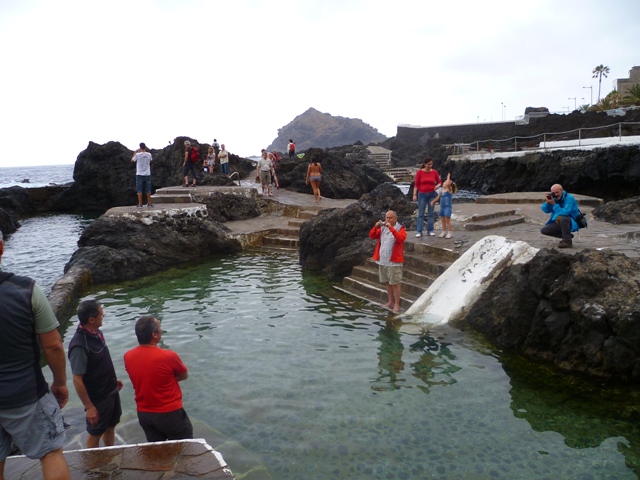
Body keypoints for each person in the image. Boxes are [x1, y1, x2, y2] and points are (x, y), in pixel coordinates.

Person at [0, 228, 71, 480]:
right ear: (1, 248)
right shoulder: (26, 290)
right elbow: (53, 345)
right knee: (51, 453)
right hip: (26, 394)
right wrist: (60, 383)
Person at [123, 316, 193, 442]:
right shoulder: (168, 356)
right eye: (160, 327)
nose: (161, 330)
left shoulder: (128, 356)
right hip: (170, 414)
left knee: (157, 454)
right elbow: (184, 375)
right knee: (185, 449)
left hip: (145, 415)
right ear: (154, 334)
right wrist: (167, 379)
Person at [68, 299, 124, 449]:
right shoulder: (79, 345)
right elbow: (77, 380)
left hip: (110, 391)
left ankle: (110, 453)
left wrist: (112, 380)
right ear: (91, 319)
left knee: (110, 426)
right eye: (101, 313)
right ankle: (92, 466)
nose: (103, 315)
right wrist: (90, 407)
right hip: (98, 398)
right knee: (95, 433)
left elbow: (99, 362)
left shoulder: (96, 333)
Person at [368, 211, 407, 313]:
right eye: (386, 218)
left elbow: (401, 239)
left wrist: (391, 228)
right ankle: (390, 301)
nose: (387, 220)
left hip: (394, 261)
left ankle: (397, 304)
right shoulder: (382, 228)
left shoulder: (400, 228)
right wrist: (375, 227)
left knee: (395, 283)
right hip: (383, 260)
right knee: (387, 283)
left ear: (395, 219)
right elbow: (372, 236)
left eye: (390, 218)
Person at [540, 183, 580, 248]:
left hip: (571, 221)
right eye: (553, 193)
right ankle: (567, 235)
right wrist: (547, 202)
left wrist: (554, 204)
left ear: (562, 190)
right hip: (558, 221)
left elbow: (565, 212)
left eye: (557, 192)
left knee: (563, 218)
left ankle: (567, 241)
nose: (555, 194)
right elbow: (546, 210)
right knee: (544, 230)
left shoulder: (569, 198)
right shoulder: (554, 198)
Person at [412, 157, 442, 237]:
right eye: (428, 164)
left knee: (431, 213)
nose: (430, 166)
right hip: (422, 194)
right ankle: (419, 231)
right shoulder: (419, 172)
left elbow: (439, 182)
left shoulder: (434, 172)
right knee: (421, 213)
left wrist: (438, 186)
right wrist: (414, 194)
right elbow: (416, 184)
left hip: (432, 194)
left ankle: (430, 230)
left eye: (431, 164)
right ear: (424, 164)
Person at [431, 173, 457, 239]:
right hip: (442, 207)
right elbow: (437, 198)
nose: (444, 182)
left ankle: (450, 232)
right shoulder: (441, 191)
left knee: (447, 220)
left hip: (447, 207)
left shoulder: (449, 191)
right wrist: (433, 201)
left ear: (449, 185)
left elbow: (448, 182)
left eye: (445, 182)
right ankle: (444, 231)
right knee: (443, 220)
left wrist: (448, 176)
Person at [131, 142, 153, 208]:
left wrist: (135, 152)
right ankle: (149, 203)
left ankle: (140, 204)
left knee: (139, 189)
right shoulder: (149, 154)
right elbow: (151, 161)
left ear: (140, 147)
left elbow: (132, 161)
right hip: (147, 174)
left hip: (139, 174)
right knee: (148, 189)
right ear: (145, 147)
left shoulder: (137, 155)